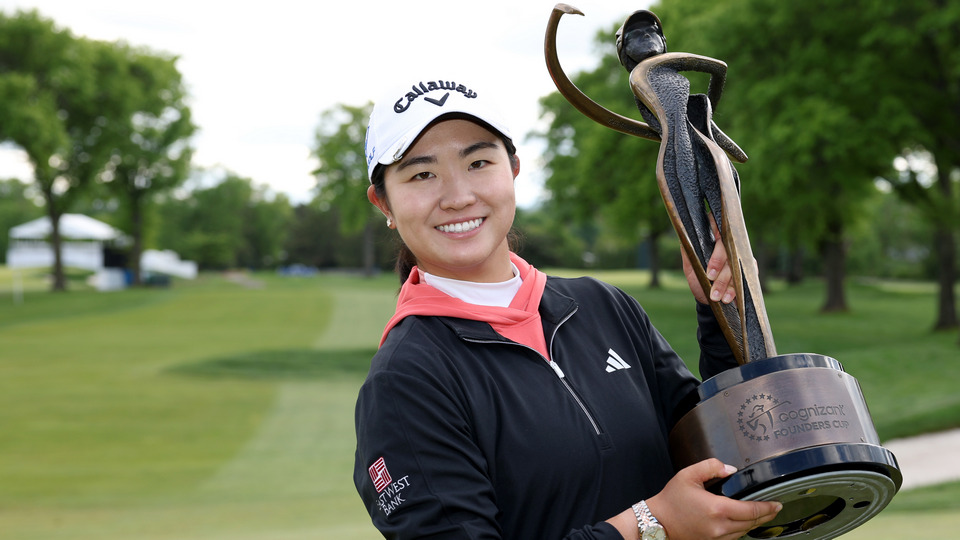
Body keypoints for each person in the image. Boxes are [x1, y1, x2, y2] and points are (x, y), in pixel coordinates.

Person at [353, 72, 782, 540]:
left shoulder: (603, 306)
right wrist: (651, 524)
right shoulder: (405, 381)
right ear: (384, 204)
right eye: (422, 174)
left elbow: (711, 445)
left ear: (513, 169)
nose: (459, 197)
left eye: (478, 162)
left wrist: (722, 309)